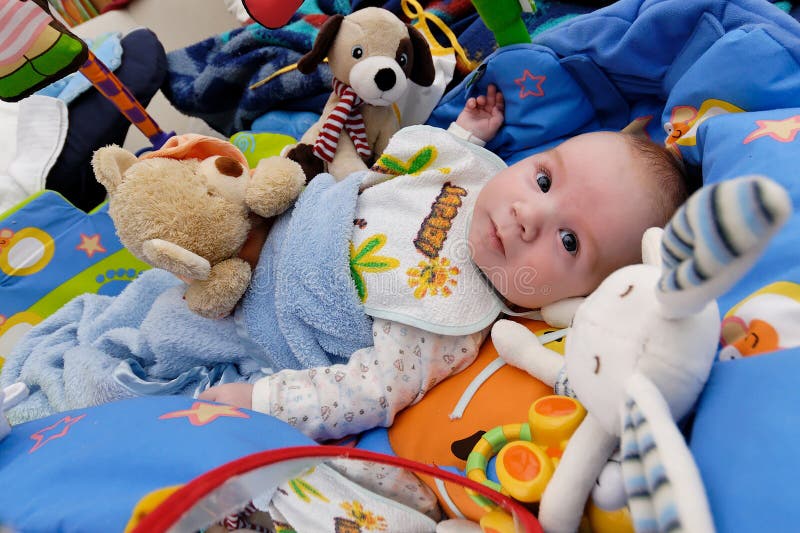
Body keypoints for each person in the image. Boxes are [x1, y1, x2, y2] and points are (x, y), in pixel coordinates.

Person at [199, 84, 688, 440]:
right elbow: (436, 167)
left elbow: (366, 392)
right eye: (543, 180)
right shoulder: (477, 176)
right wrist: (468, 134)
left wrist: (263, 402)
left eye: (568, 241)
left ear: (579, 298)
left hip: (260, 302)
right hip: (272, 215)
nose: (528, 215)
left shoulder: (447, 324)